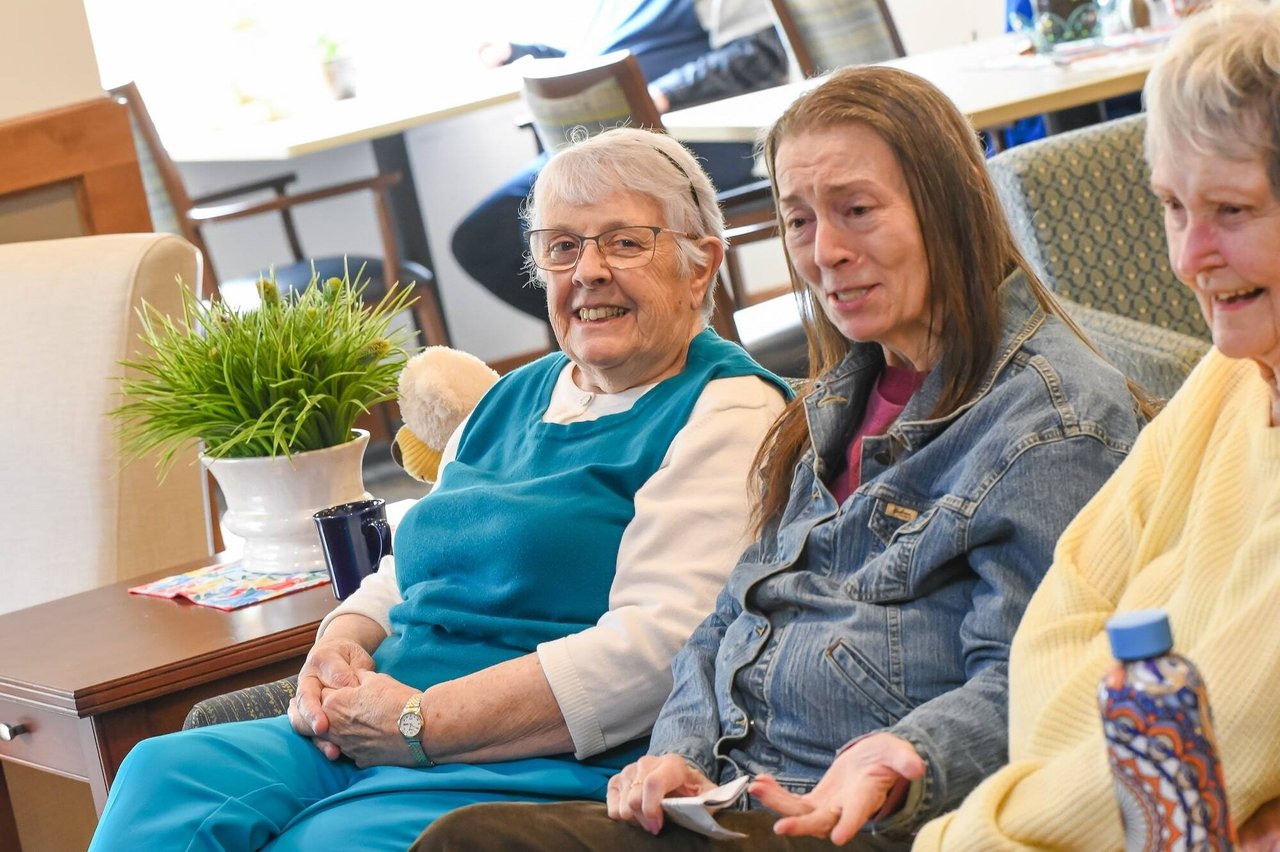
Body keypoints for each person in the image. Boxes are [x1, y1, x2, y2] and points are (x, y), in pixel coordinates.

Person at [412, 64, 1146, 851]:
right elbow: (727, 616)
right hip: (724, 804)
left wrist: (905, 756)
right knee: (467, 835)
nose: (825, 251)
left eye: (857, 211)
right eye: (798, 220)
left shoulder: (1055, 421)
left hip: (858, 824)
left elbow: (1042, 675)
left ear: (958, 200)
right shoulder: (837, 396)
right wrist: (676, 754)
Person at [87, 127, 792, 851]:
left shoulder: (725, 409)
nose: (588, 271)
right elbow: (409, 564)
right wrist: (342, 641)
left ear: (701, 265)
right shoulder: (512, 395)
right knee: (164, 775)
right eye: (561, 247)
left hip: (521, 764)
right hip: (372, 730)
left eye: (624, 243)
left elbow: (659, 648)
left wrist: (421, 722)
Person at [911, 2, 1280, 847]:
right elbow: (1063, 603)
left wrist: (978, 832)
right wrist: (1092, 760)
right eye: (1172, 207)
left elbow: (1223, 728)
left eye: (1231, 211)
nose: (1188, 258)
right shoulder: (1229, 378)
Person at [455, 0, 788, 322]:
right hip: (591, 147)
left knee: (539, 233)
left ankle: (654, 335)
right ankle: (610, 338)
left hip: (679, 145)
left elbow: (763, 52)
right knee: (485, 237)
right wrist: (519, 52)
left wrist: (663, 92)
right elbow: (595, 61)